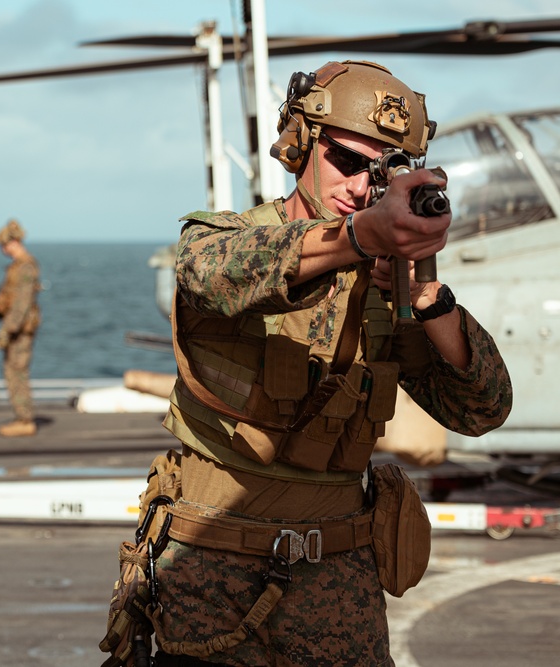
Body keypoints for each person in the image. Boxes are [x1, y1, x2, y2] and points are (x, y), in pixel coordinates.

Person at [137, 61, 513, 666]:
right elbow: (212, 277)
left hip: (338, 584)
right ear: (302, 144)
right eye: (347, 161)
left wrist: (427, 299)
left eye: (381, 174)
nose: (362, 187)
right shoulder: (224, 238)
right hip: (209, 570)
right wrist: (360, 238)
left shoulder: (388, 286)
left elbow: (481, 410)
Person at [0, 219, 41, 437]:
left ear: (15, 241)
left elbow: (21, 304)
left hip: (19, 331)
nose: (2, 249)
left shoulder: (25, 266)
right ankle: (22, 416)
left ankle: (25, 419)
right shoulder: (17, 266)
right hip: (15, 329)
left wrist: (7, 330)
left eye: (4, 244)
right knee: (13, 372)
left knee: (16, 373)